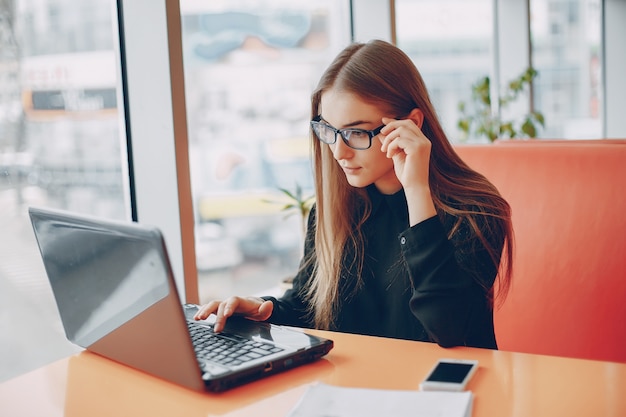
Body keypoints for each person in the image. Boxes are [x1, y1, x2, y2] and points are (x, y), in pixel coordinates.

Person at [194, 39, 514, 349]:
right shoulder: (335, 208)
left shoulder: (476, 210)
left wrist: (417, 190)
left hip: (444, 393)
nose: (339, 152)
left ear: (410, 124)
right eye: (329, 131)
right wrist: (263, 308)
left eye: (356, 132)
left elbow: (448, 329)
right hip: (351, 390)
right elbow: (311, 307)